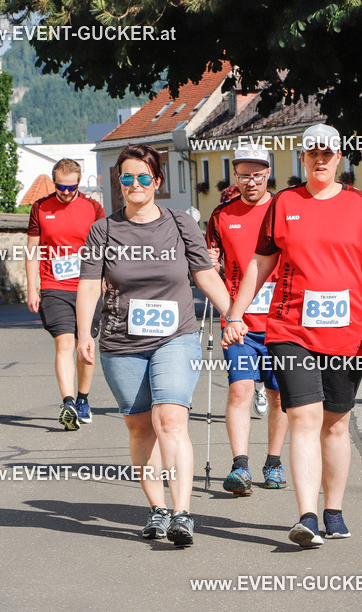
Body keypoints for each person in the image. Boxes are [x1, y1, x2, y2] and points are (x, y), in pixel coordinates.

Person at [223, 124, 362, 548]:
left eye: (327, 153)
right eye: (312, 153)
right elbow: (260, 263)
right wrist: (235, 314)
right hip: (291, 328)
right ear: (302, 158)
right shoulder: (285, 203)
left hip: (347, 332)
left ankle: (333, 510)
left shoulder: (359, 203)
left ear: (338, 158)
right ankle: (307, 516)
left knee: (336, 424)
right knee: (304, 416)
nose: (320, 160)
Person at [76, 144, 231, 546]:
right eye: (127, 177)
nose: (135, 184)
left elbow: (205, 275)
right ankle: (157, 509)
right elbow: (89, 285)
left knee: (171, 421)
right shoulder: (103, 230)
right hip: (121, 342)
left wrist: (233, 314)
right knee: (140, 427)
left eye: (144, 177)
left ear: (157, 181)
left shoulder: (180, 224)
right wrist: (83, 334)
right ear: (119, 182)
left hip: (175, 336)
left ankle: (182, 513)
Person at [205, 144, 289, 496]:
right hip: (238, 322)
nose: (250, 181)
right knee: (240, 388)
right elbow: (210, 265)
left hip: (281, 321)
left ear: (268, 173)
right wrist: (212, 263)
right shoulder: (222, 215)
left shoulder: (284, 208)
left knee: (278, 395)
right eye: (243, 175)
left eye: (257, 175)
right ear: (235, 176)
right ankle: (240, 466)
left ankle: (274, 462)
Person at [26, 158, 106, 430]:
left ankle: (83, 399)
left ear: (79, 182)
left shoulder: (92, 208)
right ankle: (68, 403)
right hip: (54, 286)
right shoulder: (41, 207)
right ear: (54, 182)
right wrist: (32, 288)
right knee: (64, 343)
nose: (66, 192)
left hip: (88, 287)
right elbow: (32, 250)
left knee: (85, 345)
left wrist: (107, 280)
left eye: (72, 187)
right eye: (61, 186)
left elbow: (105, 248)